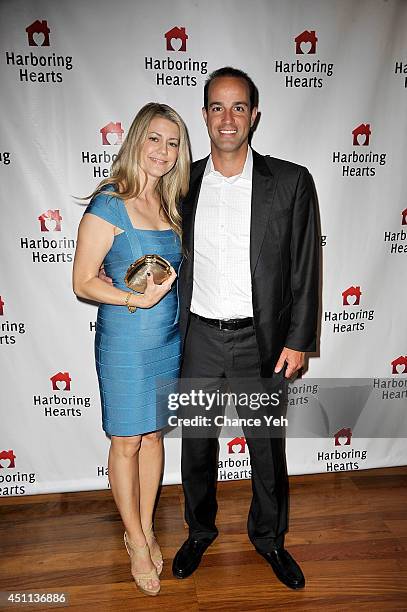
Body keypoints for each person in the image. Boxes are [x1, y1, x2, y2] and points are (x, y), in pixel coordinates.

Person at [172, 67, 319, 590]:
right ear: (205, 115)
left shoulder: (291, 181)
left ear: (254, 115)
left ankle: (271, 539)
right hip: (198, 340)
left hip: (261, 343)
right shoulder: (181, 183)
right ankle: (199, 530)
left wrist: (299, 339)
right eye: (217, 107)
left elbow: (304, 265)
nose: (227, 118)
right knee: (196, 446)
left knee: (265, 448)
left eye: (238, 107)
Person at [72, 103, 190, 596]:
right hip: (124, 337)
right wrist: (131, 299)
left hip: (166, 338)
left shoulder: (171, 205)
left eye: (174, 143)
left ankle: (144, 526)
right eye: (155, 139)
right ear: (137, 140)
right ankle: (136, 541)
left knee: (154, 438)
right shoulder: (109, 203)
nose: (164, 151)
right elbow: (82, 282)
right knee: (125, 441)